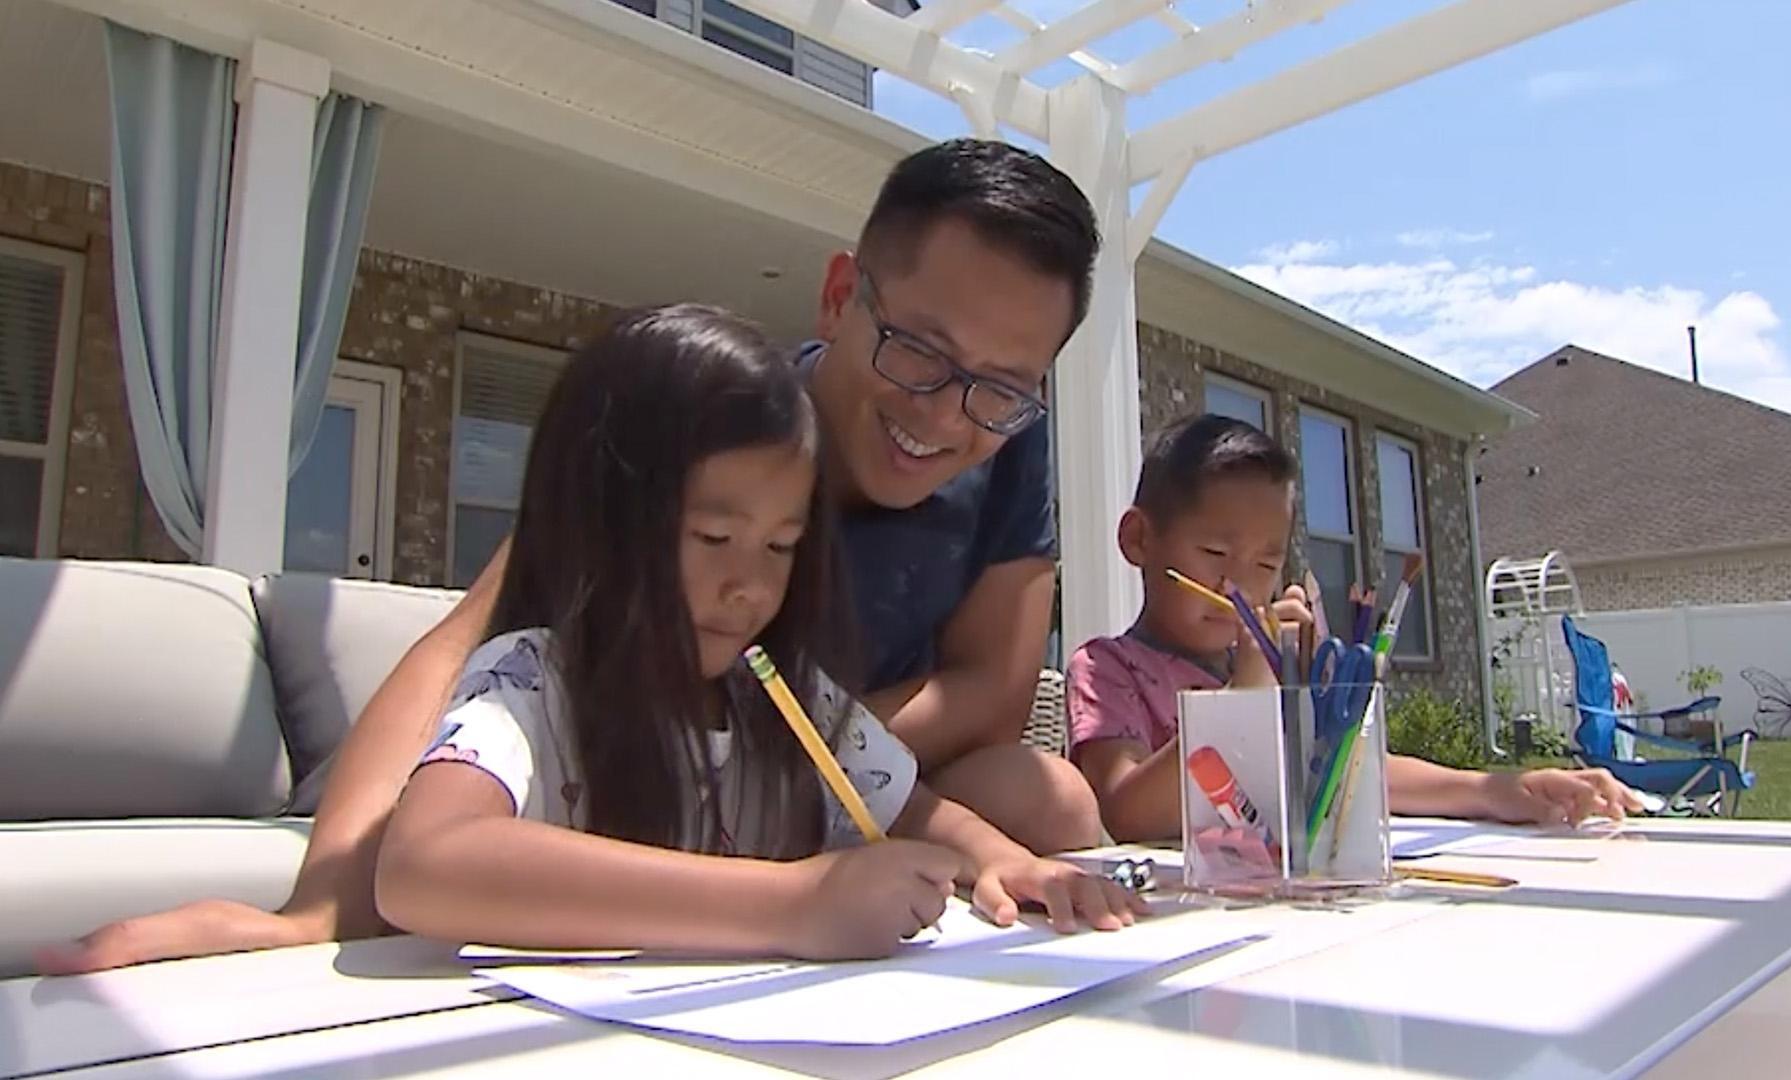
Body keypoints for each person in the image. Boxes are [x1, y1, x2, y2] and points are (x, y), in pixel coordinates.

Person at [40, 138, 1106, 973]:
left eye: (1002, 389)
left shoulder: (1004, 453)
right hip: (645, 774)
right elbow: (466, 646)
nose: (945, 415)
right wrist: (324, 904)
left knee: (1047, 799)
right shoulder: (699, 423)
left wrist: (784, 760)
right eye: (918, 351)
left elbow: (993, 692)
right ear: (840, 295)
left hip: (806, 758)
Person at [374, 306, 1136, 957]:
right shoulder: (533, 681)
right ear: (601, 518)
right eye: (713, 538)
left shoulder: (788, 698)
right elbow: (423, 863)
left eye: (781, 546)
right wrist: (792, 903)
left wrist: (1000, 860)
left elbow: (912, 810)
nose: (751, 586)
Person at [1068, 415, 1635, 843]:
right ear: (1140, 540)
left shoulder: (1284, 669)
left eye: (1265, 563)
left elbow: (1351, 771)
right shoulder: (1107, 669)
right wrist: (1241, 698)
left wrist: (1498, 790)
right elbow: (1125, 813)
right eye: (1215, 552)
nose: (1238, 585)